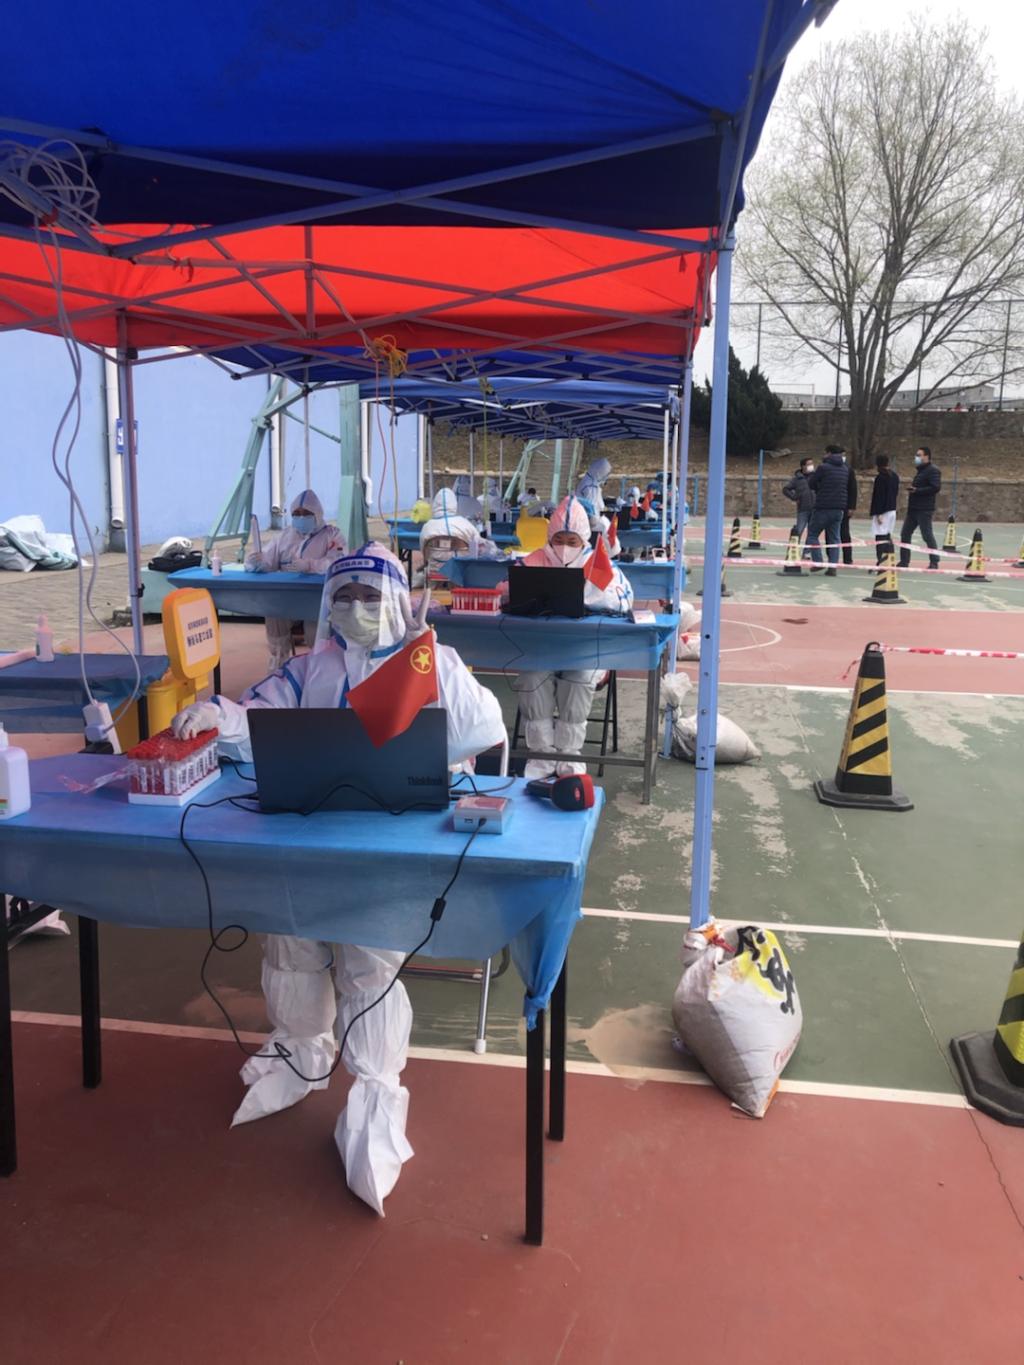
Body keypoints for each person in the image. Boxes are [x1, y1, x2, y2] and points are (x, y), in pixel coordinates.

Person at [171, 543, 505, 1214]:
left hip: (391, 842)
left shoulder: (429, 662)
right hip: (307, 832)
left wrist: (428, 657)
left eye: (370, 596)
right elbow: (258, 715)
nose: (356, 607)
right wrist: (219, 715)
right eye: (344, 596)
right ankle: (301, 1052)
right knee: (289, 940)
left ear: (398, 601)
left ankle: (375, 1097)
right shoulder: (309, 668)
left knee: (368, 963)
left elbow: (482, 727)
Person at [508, 496, 634, 779]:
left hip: (586, 650)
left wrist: (585, 598)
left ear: (583, 539)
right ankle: (541, 755)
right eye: (559, 539)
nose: (564, 546)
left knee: (579, 679)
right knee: (531, 679)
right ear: (550, 537)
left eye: (572, 540)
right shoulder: (535, 560)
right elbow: (507, 588)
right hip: (541, 650)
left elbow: (624, 598)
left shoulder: (597, 563)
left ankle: (569, 754)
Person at [245, 488, 345, 669]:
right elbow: (268, 559)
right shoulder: (284, 536)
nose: (300, 517)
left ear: (317, 513)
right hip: (287, 601)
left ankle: (319, 667)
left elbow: (337, 563)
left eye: (306, 513)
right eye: (296, 514)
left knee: (316, 630)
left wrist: (310, 565)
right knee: (274, 613)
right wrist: (256, 562)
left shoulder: (332, 535)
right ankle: (279, 665)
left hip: (316, 602)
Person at [418, 487, 497, 582]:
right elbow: (479, 544)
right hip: (460, 570)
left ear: (435, 504)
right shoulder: (465, 524)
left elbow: (423, 550)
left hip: (435, 570)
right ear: (454, 504)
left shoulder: (427, 526)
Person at [806, 445, 848, 575]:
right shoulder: (845, 469)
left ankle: (818, 562)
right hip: (839, 507)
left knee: (812, 534)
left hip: (823, 506)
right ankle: (832, 566)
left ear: (829, 453)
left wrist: (813, 477)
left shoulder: (823, 467)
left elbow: (811, 483)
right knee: (834, 538)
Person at [899, 447, 941, 571]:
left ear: (926, 456)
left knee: (927, 534)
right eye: (916, 455)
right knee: (905, 533)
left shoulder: (933, 471)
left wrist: (917, 490)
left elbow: (935, 487)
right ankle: (904, 561)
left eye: (919, 455)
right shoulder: (920, 471)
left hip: (924, 508)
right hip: (913, 508)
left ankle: (934, 561)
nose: (916, 457)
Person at [869, 455, 900, 564]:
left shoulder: (881, 478)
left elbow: (879, 497)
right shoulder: (894, 476)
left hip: (883, 512)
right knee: (887, 536)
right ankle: (889, 561)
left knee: (880, 537)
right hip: (892, 510)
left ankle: (881, 562)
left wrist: (878, 513)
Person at [782, 457, 816, 539]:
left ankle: (808, 547)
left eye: (812, 464)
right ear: (803, 466)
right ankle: (794, 545)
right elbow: (786, 489)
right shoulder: (797, 479)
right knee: (799, 530)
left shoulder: (816, 477)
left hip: (815, 509)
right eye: (809, 464)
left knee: (812, 533)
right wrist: (794, 497)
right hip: (803, 509)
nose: (811, 466)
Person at [839, 457, 858, 567]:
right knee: (831, 532)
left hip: (845, 506)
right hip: (832, 505)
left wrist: (851, 506)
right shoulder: (826, 467)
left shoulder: (848, 470)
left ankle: (847, 558)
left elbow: (853, 489)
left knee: (844, 532)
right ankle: (832, 558)